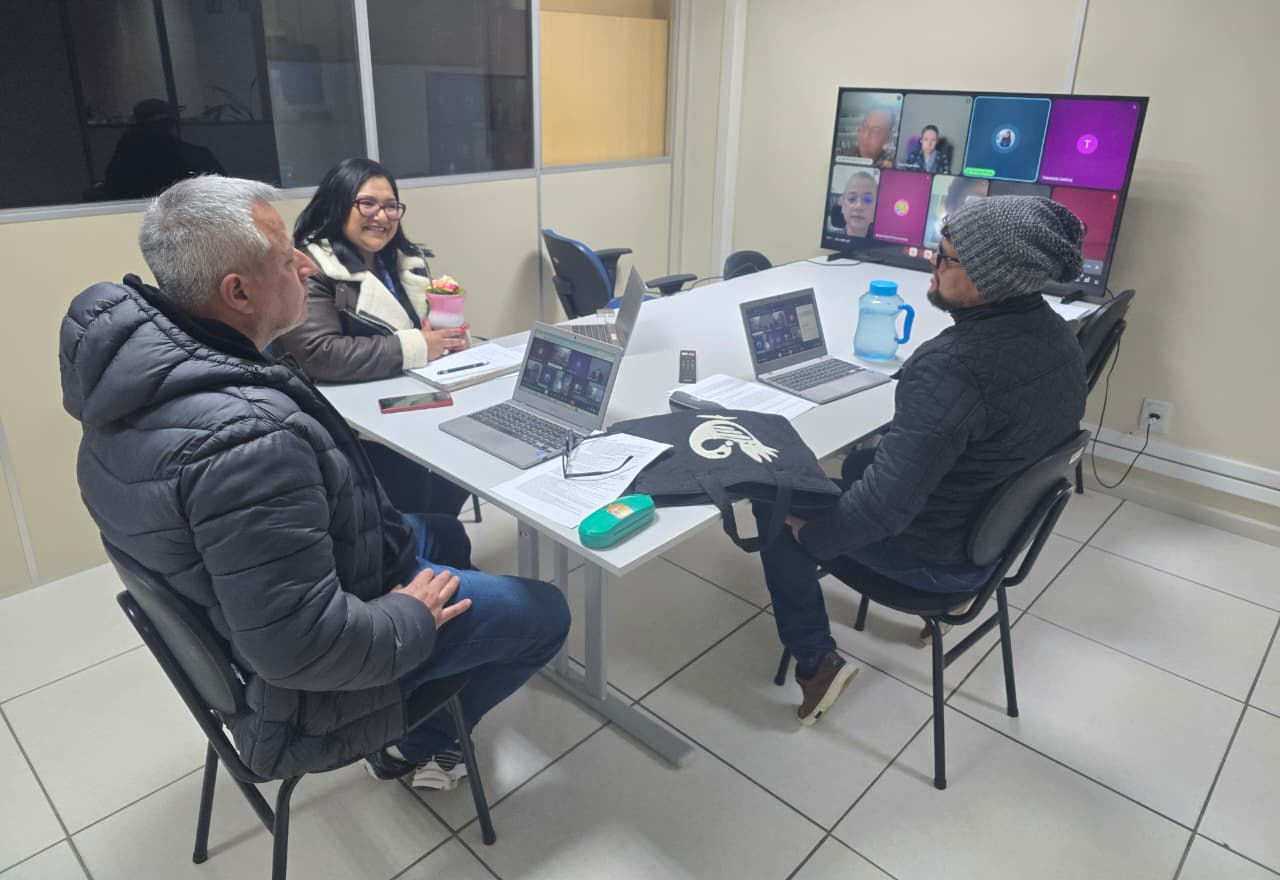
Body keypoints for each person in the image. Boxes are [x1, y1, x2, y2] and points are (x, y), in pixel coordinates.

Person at [59, 176, 570, 791]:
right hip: (301, 691)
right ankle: (416, 745)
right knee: (546, 612)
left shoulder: (131, 382)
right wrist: (410, 616)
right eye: (285, 257)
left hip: (270, 606)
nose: (306, 264)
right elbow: (301, 648)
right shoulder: (248, 443)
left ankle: (435, 688)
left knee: (438, 533)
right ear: (238, 291)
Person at [754, 196, 1087, 725]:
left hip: (938, 562)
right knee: (863, 463)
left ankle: (817, 664)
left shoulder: (952, 366)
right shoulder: (1060, 339)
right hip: (993, 543)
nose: (933, 266)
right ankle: (939, 611)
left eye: (947, 258)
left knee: (775, 511)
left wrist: (808, 537)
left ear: (988, 279)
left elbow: (883, 512)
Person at [277, 158, 472, 518]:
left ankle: (440, 537)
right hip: (356, 422)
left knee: (470, 449)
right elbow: (320, 354)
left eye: (391, 206)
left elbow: (421, 329)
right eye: (367, 203)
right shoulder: (312, 268)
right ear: (338, 204)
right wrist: (418, 345)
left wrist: (447, 336)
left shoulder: (403, 261)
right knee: (415, 478)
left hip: (413, 394)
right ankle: (427, 544)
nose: (381, 216)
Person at [102, 99, 225, 199]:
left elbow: (223, 191)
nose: (164, 130)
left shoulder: (196, 156)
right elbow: (118, 193)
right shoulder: (129, 159)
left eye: (167, 124)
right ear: (141, 128)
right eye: (156, 125)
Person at [839, 171, 878, 238]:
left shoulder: (885, 246)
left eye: (868, 200)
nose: (859, 206)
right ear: (842, 205)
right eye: (851, 199)